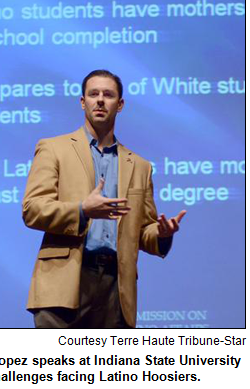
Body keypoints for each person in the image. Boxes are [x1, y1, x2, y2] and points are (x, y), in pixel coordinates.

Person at [22, 69, 186, 328]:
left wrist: (163, 235)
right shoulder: (54, 148)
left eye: (108, 95)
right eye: (93, 94)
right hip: (64, 282)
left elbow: (143, 232)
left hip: (116, 286)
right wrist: (82, 210)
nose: (100, 100)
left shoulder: (140, 166)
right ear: (82, 101)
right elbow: (32, 209)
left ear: (119, 105)